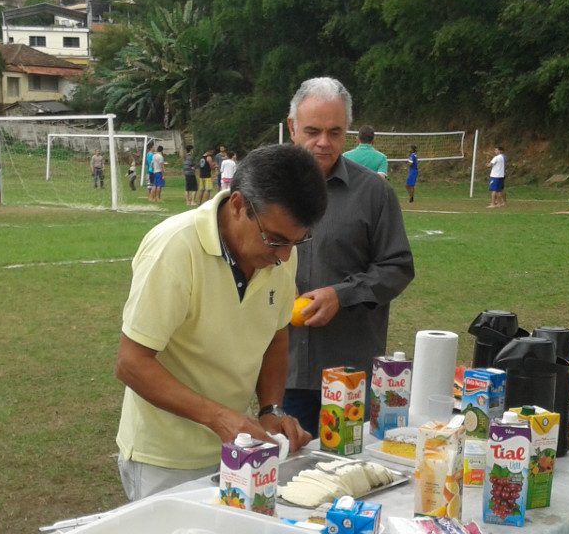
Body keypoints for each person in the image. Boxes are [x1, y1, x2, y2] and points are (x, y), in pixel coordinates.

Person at [114, 144, 325, 501]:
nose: (285, 256)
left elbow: (276, 337)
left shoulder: (281, 253)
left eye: (297, 241)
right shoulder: (174, 249)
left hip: (238, 448)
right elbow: (131, 363)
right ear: (239, 205)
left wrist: (271, 410)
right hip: (166, 460)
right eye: (275, 239)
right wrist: (219, 418)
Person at [284, 77, 414, 437]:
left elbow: (398, 267)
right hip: (281, 370)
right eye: (312, 130)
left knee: (347, 474)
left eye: (335, 132)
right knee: (284, 477)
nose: (323, 142)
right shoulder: (265, 188)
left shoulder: (374, 192)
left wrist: (341, 295)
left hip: (349, 374)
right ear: (292, 127)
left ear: (348, 132)